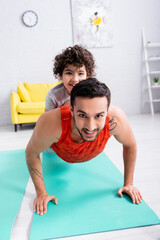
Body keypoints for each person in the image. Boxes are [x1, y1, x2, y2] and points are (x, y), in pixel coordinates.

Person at [25, 78, 143, 216]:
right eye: (82, 115)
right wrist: (41, 193)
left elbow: (130, 145)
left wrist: (128, 183)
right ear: (71, 109)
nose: (90, 127)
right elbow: (31, 153)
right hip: (57, 151)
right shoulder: (51, 122)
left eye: (99, 116)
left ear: (107, 110)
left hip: (89, 152)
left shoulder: (115, 119)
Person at [45, 45, 96, 111]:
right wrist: (62, 109)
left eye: (80, 74)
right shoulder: (53, 95)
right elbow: (46, 119)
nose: (75, 79)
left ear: (87, 76)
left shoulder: (93, 92)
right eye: (69, 73)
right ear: (60, 75)